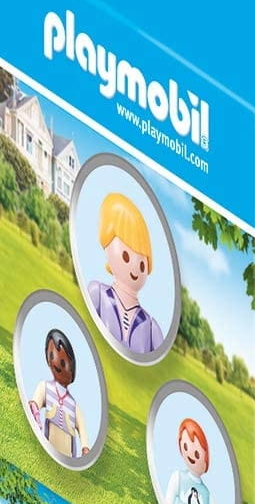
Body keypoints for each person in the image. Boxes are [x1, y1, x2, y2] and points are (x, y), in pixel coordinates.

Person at [86, 191, 166, 357]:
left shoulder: (151, 328)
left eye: (142, 264)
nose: (135, 268)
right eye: (126, 256)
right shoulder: (97, 294)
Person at [28, 328, 89, 459]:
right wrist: (34, 409)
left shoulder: (73, 405)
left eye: (63, 362)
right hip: (49, 447)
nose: (56, 363)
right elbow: (35, 403)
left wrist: (85, 448)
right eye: (51, 356)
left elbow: (82, 428)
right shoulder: (45, 387)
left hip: (68, 454)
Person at [163, 419, 220, 504]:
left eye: (197, 453)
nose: (190, 454)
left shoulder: (207, 494)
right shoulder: (178, 477)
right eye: (185, 447)